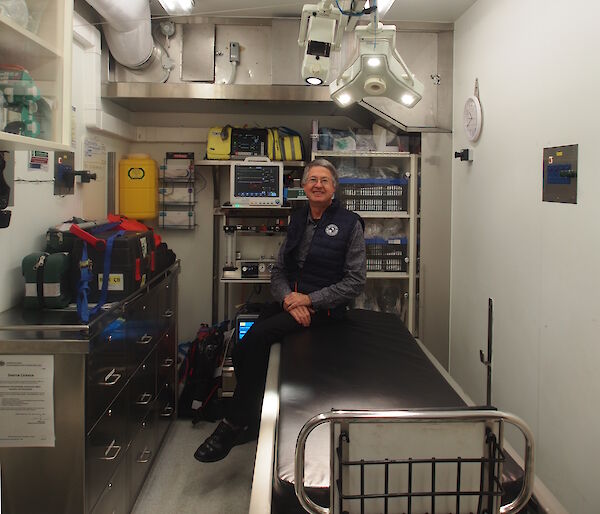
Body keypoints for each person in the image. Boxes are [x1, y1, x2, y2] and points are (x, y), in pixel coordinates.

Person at [194, 158, 366, 463]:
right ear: (304, 186)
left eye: (324, 180)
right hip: (293, 304)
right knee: (242, 347)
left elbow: (354, 282)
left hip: (326, 311)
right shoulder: (298, 219)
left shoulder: (350, 224)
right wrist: (289, 299)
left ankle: (232, 425)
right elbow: (278, 271)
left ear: (334, 187)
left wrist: (310, 301)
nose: (318, 185)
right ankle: (252, 417)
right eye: (312, 179)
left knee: (258, 339)